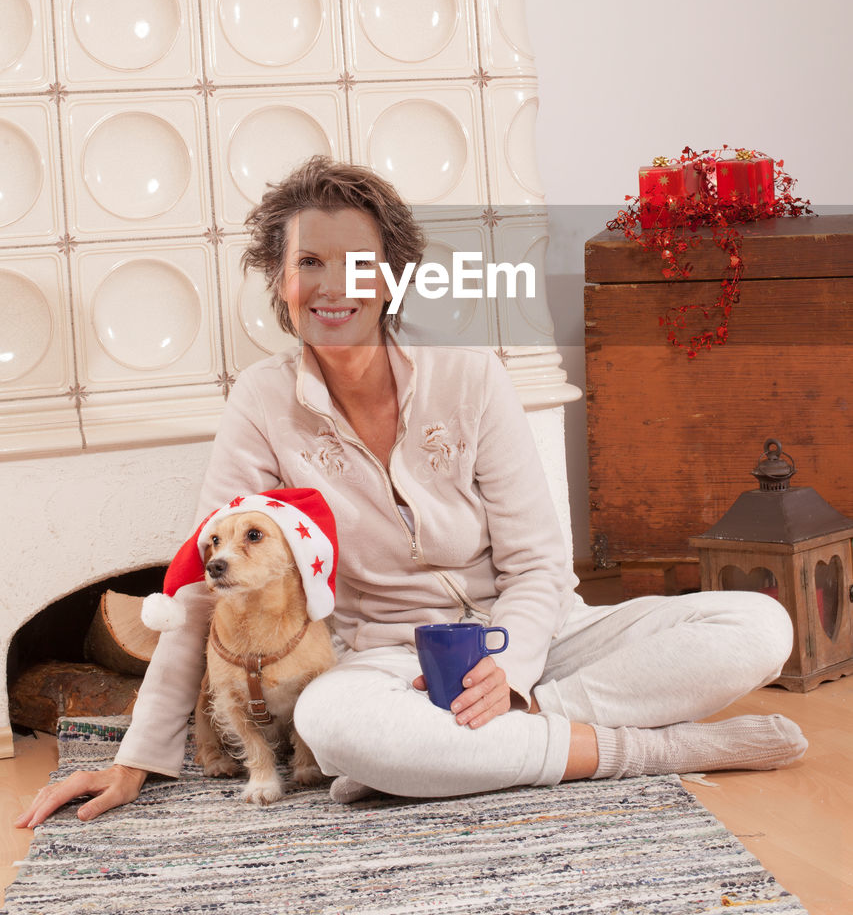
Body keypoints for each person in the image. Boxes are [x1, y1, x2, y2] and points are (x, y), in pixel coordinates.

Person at [17, 157, 805, 826]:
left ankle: (468, 745)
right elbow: (202, 589)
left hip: (531, 636)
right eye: (307, 263)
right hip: (384, 660)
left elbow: (537, 563)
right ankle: (656, 750)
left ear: (391, 274)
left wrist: (518, 677)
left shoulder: (470, 374)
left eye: (357, 262)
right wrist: (136, 762)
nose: (332, 287)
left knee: (756, 624)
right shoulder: (261, 403)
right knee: (332, 720)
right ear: (279, 281)